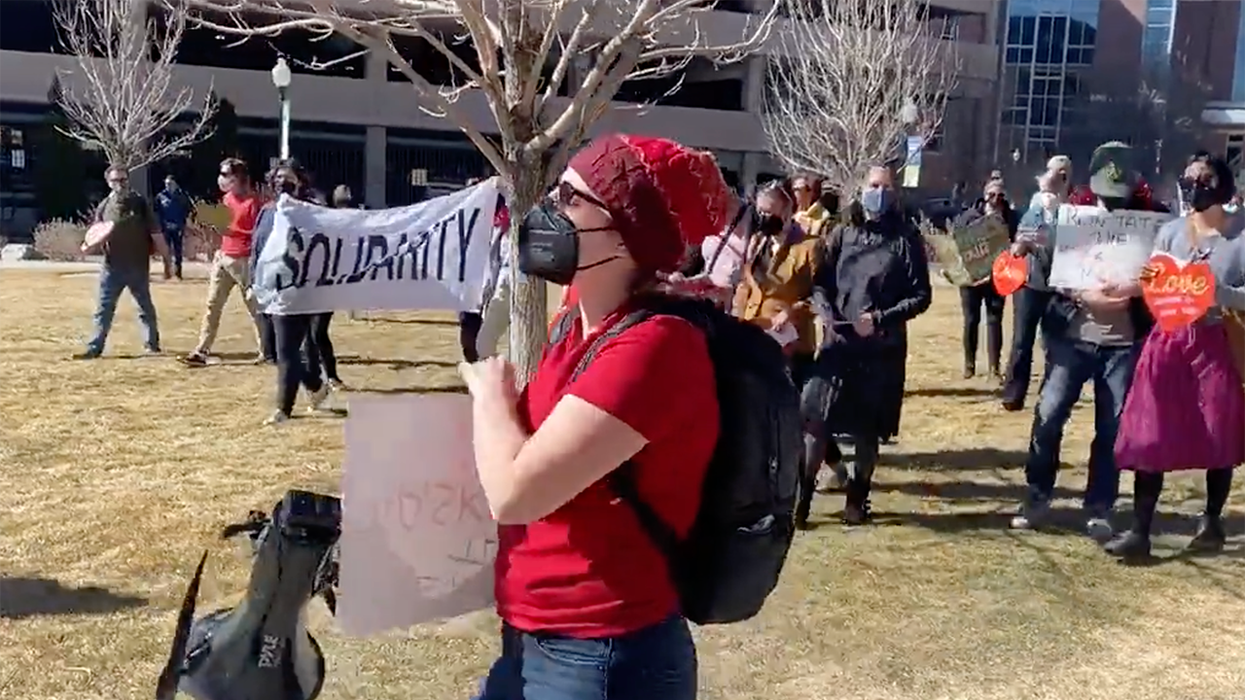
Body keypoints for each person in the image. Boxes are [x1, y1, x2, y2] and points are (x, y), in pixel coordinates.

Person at [459, 134, 732, 700]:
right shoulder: (576, 323)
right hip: (532, 635)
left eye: (570, 199)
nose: (548, 212)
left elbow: (515, 493)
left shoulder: (655, 347)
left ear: (628, 233)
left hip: (602, 653)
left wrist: (489, 396)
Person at [1008, 147, 1158, 542]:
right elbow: (1047, 269)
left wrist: (1137, 288)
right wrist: (1072, 288)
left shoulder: (1149, 224)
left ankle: (1100, 506)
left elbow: (1163, 276)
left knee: (1111, 427)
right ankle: (1037, 494)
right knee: (1048, 414)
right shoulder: (1071, 219)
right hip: (1072, 338)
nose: (1112, 202)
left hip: (1122, 344)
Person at [1105, 153, 1245, 559]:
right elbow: (1154, 278)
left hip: (1216, 341)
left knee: (1218, 429)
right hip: (1168, 342)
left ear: (1223, 185)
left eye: (1205, 178)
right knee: (1151, 429)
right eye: (1189, 178)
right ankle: (1139, 531)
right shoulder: (1170, 233)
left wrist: (1220, 294)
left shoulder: (1240, 237)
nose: (1195, 185)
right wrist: (1131, 285)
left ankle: (1211, 521)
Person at [797, 165, 932, 527]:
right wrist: (826, 311)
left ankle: (856, 502)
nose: (879, 192)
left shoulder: (906, 239)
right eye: (874, 185)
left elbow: (921, 295)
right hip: (839, 343)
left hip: (881, 349)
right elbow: (820, 282)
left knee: (867, 430)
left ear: (895, 193)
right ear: (861, 189)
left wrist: (881, 318)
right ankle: (801, 502)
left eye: (886, 187)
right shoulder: (843, 233)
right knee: (816, 423)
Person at [256, 160, 332, 425]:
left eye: (288, 178)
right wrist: (253, 281)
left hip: (299, 290)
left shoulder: (311, 212)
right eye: (278, 178)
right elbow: (258, 245)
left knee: (287, 349)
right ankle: (315, 385)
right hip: (270, 288)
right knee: (274, 351)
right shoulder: (267, 211)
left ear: (301, 181)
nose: (282, 183)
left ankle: (283, 410)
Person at [75, 165, 171, 359]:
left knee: (144, 308)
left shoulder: (140, 204)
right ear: (108, 183)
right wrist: (87, 247)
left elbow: (156, 233)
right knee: (103, 309)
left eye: (123, 179)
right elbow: (96, 235)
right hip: (112, 267)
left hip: (138, 266)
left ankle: (152, 345)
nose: (120, 184)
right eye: (115, 180)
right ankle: (94, 348)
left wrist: (167, 261)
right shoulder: (104, 206)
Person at [732, 179, 822, 385]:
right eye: (760, 211)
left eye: (769, 212)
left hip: (787, 342)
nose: (763, 217)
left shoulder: (809, 247)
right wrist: (736, 318)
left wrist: (790, 312)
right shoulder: (757, 242)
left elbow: (818, 296)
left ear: (787, 211)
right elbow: (746, 284)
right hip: (753, 333)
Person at [1001, 155, 1072, 410]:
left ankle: (1050, 392)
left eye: (1062, 173)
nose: (1057, 177)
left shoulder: (1072, 209)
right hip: (1030, 283)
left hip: (1058, 285)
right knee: (1022, 340)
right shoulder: (1032, 207)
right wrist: (1021, 245)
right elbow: (1021, 238)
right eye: (1053, 171)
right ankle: (1014, 393)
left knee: (1054, 344)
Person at [182, 158, 266, 366]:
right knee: (212, 305)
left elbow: (258, 233)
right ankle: (202, 350)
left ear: (238, 177)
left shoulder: (254, 203)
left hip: (244, 259)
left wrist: (231, 231)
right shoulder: (227, 198)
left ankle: (267, 350)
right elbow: (222, 225)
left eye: (226, 174)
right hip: (223, 257)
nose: (221, 179)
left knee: (255, 307)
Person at [955, 179, 1017, 380]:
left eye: (1000, 195)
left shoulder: (1011, 218)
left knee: (994, 320)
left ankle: (994, 368)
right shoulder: (969, 217)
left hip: (997, 276)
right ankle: (969, 365)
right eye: (992, 194)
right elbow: (958, 241)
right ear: (984, 195)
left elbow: (1017, 242)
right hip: (971, 278)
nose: (996, 199)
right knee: (971, 320)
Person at [476, 194, 512, 359]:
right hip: (500, 287)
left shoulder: (510, 222)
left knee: (484, 345)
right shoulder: (495, 225)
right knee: (485, 344)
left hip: (510, 286)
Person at [458, 177, 488, 362]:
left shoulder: (490, 216)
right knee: (467, 321)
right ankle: (471, 357)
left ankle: (477, 357)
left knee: (479, 322)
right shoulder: (460, 215)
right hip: (466, 278)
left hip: (483, 277)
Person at [154, 174, 193, 280]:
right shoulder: (160, 196)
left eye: (170, 184)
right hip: (165, 228)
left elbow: (187, 211)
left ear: (175, 184)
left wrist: (184, 224)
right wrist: (160, 225)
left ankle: (178, 272)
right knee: (165, 250)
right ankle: (167, 271)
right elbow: (156, 212)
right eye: (166, 184)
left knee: (178, 250)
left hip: (178, 228)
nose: (168, 186)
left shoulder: (182, 196)